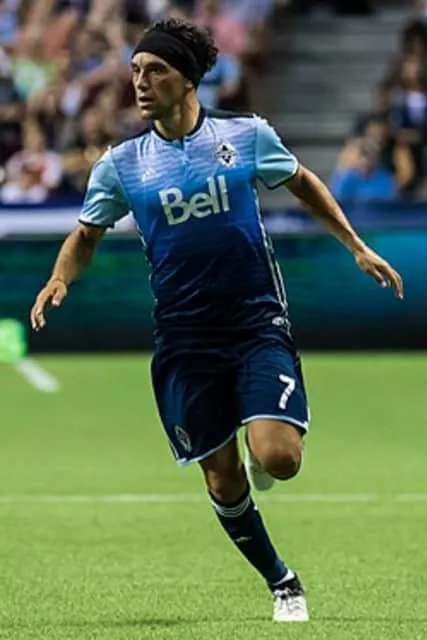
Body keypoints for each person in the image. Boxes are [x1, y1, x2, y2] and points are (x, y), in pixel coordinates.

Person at [30, 18, 404, 623]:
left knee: (279, 458)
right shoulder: (122, 165)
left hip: (255, 322)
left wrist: (356, 245)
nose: (140, 82)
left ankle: (264, 438)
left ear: (189, 79)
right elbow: (86, 233)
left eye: (156, 71)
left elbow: (302, 181)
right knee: (222, 479)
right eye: (136, 71)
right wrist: (59, 278)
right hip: (184, 340)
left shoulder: (246, 135)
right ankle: (282, 581)